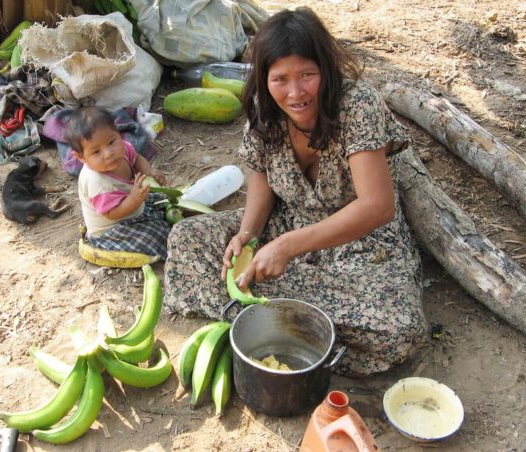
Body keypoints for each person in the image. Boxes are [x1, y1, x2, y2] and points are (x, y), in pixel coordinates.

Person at [164, 7, 427, 377]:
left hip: (361, 244)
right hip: (285, 225)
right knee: (187, 240)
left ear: (327, 69)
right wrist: (248, 235)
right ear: (264, 79)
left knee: (399, 327)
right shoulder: (265, 110)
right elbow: (260, 181)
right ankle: (297, 323)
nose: (295, 92)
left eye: (307, 75)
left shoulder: (357, 105)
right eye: (280, 79)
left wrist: (287, 247)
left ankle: (263, 317)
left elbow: (378, 206)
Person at [67, 106, 172, 259]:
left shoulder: (122, 149)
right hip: (114, 229)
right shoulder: (97, 182)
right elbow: (112, 213)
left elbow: (136, 159)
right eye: (96, 152)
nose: (108, 153)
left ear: (118, 133)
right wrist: (135, 199)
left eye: (111, 142)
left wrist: (150, 172)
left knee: (165, 201)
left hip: (133, 204)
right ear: (81, 157)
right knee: (158, 237)